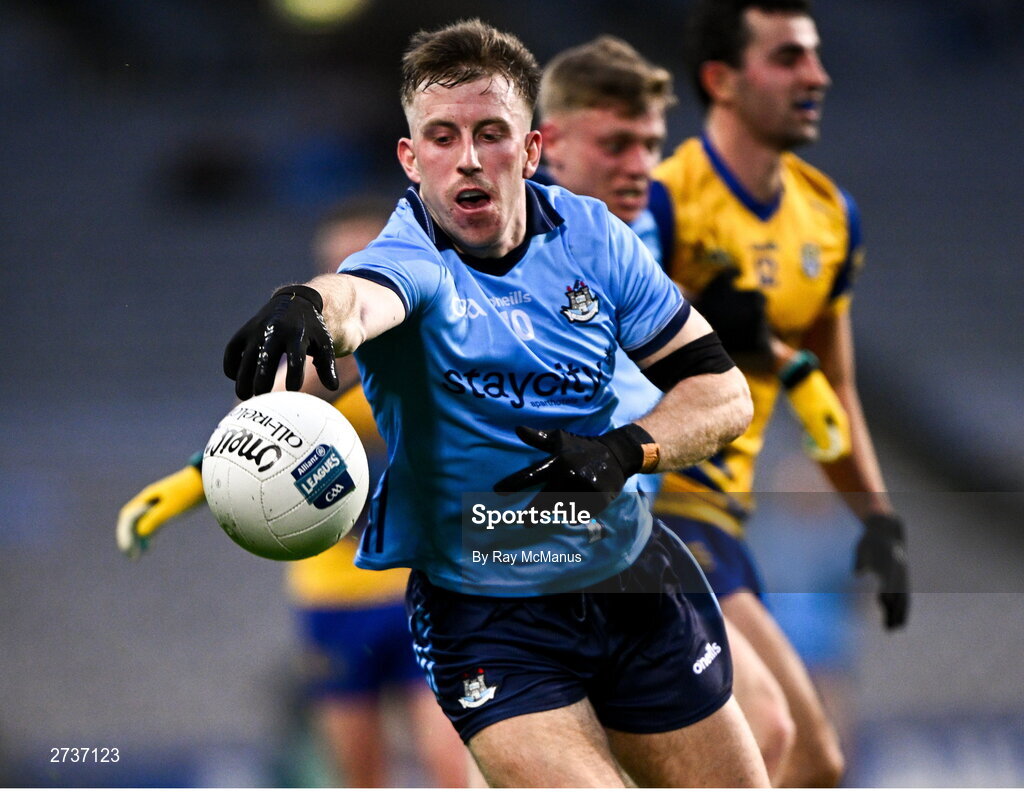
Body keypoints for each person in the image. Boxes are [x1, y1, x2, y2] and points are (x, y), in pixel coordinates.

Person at [221, 18, 767, 788]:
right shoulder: (408, 260)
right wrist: (309, 304)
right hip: (487, 616)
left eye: (491, 132)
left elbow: (719, 393)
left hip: (632, 579)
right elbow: (359, 300)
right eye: (441, 137)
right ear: (412, 159)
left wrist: (623, 451)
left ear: (534, 149)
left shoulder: (595, 240)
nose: (468, 158)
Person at [117, 199, 470, 788]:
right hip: (330, 595)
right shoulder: (302, 360)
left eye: (360, 260)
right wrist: (194, 478)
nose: (344, 276)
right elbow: (254, 423)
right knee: (357, 776)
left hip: (425, 587)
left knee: (452, 764)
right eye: (332, 263)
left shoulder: (438, 342)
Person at [651, 0, 910, 786]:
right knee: (776, 739)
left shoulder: (830, 218)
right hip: (653, 511)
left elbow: (833, 384)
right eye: (790, 58)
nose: (817, 76)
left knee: (814, 759)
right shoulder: (663, 202)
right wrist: (703, 329)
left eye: (816, 56)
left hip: (721, 518)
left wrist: (874, 515)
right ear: (721, 80)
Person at [537, 34, 800, 782]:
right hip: (538, 540)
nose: (638, 165)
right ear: (548, 142)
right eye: (616, 143)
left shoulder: (639, 224)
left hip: (629, 526)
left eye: (650, 143)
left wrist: (716, 312)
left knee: (768, 735)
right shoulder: (511, 239)